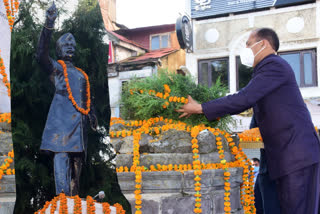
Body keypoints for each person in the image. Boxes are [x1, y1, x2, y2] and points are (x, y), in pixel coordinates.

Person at [177, 28, 320, 214]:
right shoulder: (264, 72)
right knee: (262, 204)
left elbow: (243, 98)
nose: (245, 48)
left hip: (295, 157)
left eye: (248, 43)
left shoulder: (274, 65)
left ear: (264, 44)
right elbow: (254, 115)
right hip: (276, 157)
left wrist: (201, 108)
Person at [36, 3, 97, 196]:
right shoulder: (57, 69)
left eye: (72, 45)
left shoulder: (82, 74)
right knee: (61, 157)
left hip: (79, 126)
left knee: (77, 164)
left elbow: (87, 100)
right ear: (59, 49)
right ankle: (62, 199)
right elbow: (40, 55)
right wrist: (49, 23)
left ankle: (73, 199)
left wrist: (92, 115)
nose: (70, 47)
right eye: (65, 44)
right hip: (61, 124)